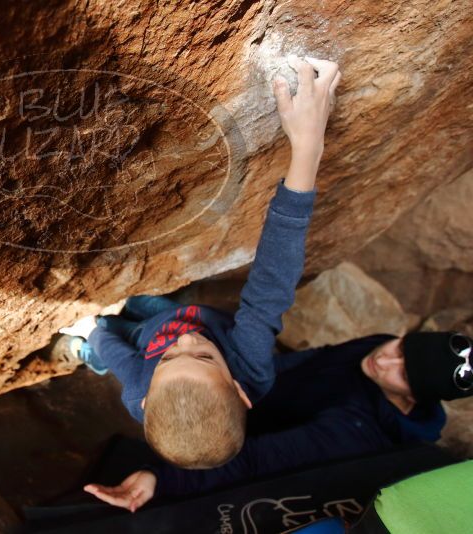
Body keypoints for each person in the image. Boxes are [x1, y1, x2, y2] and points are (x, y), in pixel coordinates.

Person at [66, 54, 341, 470]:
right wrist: (307, 150)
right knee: (153, 308)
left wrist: (92, 329)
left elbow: (127, 358)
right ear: (240, 389)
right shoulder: (251, 363)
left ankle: (80, 353)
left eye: (170, 360)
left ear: (145, 398)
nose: (187, 342)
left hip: (139, 344)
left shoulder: (139, 389)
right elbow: (271, 283)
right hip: (170, 317)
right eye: (205, 358)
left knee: (105, 340)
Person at [83, 330, 473, 513]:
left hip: (230, 432)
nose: (385, 360)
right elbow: (310, 361)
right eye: (401, 348)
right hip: (246, 395)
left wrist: (161, 477)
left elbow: (257, 460)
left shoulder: (355, 434)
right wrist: (239, 376)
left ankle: (93, 344)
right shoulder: (375, 352)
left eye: (402, 374)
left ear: (413, 396)